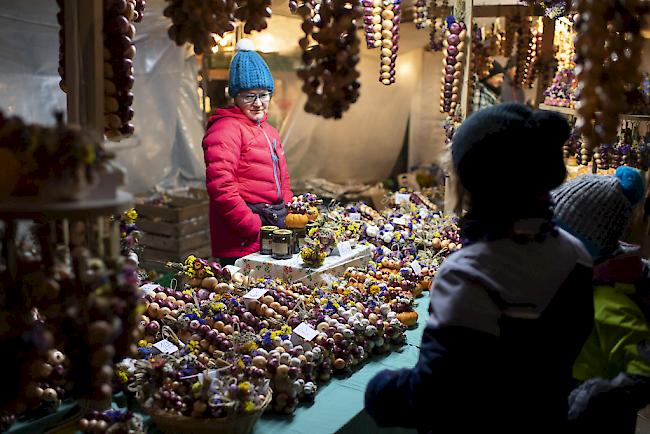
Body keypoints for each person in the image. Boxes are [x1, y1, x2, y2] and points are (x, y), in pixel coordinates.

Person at [364, 103, 594, 433]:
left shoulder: (471, 273)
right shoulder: (577, 256)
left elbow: (435, 396)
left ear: (475, 183)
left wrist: (381, 390)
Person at [552, 168, 650, 434]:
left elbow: (643, 368)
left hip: (597, 420)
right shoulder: (578, 283)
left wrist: (601, 397)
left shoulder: (608, 302)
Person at [202, 39, 293, 265]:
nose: (258, 103)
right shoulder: (225, 129)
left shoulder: (269, 130)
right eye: (248, 96)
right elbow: (221, 187)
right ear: (235, 97)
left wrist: (289, 208)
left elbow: (283, 176)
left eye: (263, 94)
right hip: (242, 238)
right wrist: (251, 225)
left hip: (271, 226)